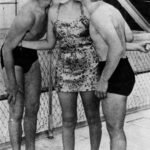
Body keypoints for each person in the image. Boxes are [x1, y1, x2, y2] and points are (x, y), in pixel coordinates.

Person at [21, 0, 102, 150]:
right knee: (68, 119)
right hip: (64, 70)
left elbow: (100, 40)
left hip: (90, 68)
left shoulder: (86, 8)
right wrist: (20, 43)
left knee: (93, 117)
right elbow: (49, 43)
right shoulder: (53, 11)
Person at [80, 0, 150, 150]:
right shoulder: (110, 9)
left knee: (115, 130)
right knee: (115, 129)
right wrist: (136, 46)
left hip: (113, 71)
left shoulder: (98, 15)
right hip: (121, 68)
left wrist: (104, 80)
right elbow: (128, 37)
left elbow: (116, 48)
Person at [0, 0, 52, 150]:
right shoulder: (28, 13)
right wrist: (11, 83)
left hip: (30, 52)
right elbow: (6, 49)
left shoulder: (52, 11)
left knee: (33, 107)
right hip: (13, 54)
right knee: (16, 110)